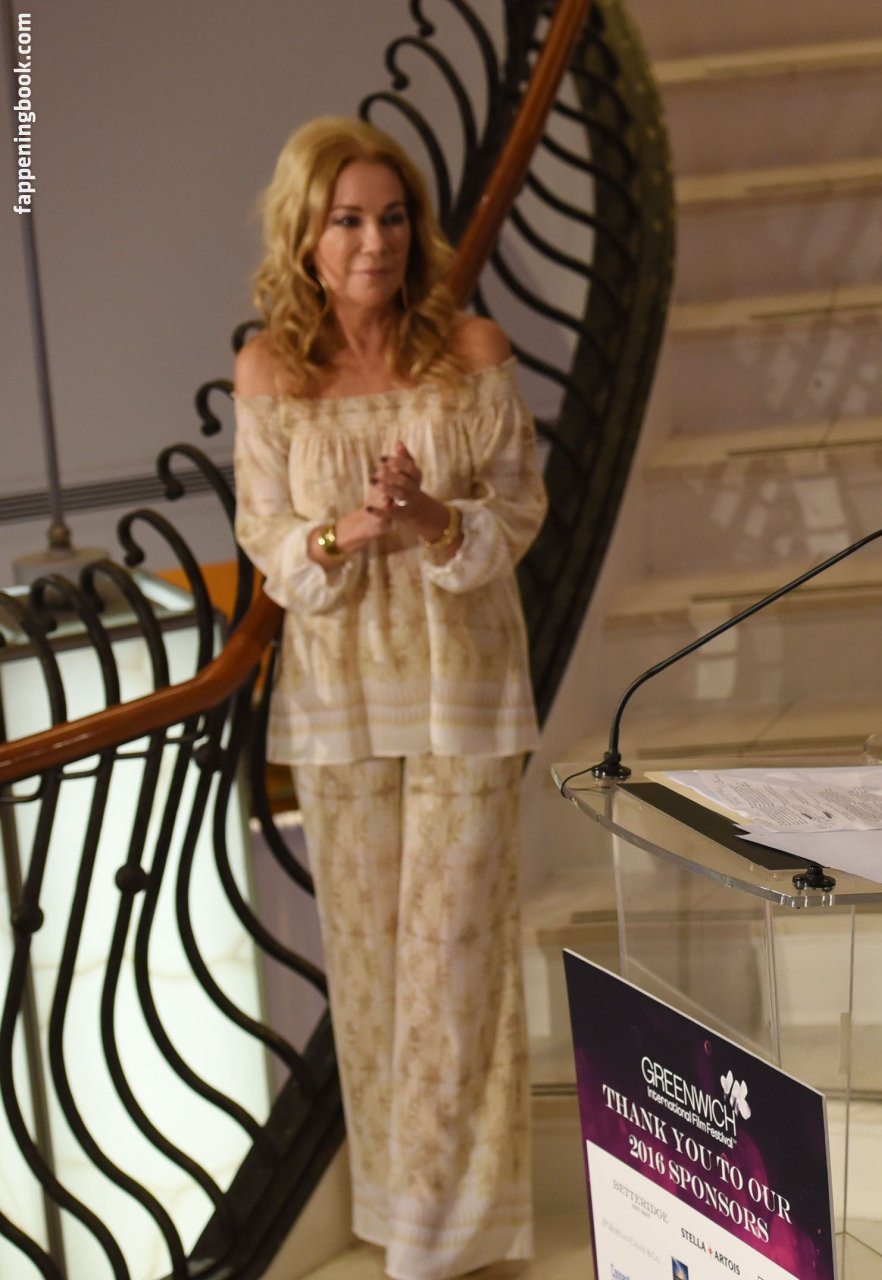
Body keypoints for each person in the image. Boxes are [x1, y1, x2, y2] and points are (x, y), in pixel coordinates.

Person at [232, 116, 546, 1280]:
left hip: (466, 696)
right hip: (338, 709)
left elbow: (519, 510)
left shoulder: (471, 348)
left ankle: (449, 1231)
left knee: (456, 957)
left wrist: (427, 518)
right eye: (348, 219)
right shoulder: (269, 371)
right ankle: (402, 1212)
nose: (375, 241)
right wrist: (352, 527)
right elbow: (268, 538)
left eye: (394, 216)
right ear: (305, 236)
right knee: (370, 967)